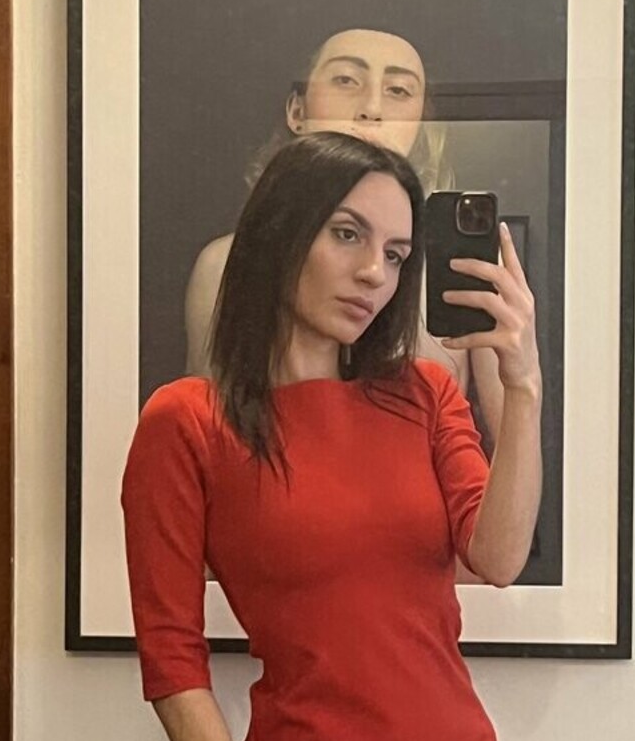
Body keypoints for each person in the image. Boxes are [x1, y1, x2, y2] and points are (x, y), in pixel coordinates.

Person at [122, 131, 542, 741]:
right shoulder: (187, 424)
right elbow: (173, 666)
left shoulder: (423, 394)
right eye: (348, 234)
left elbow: (498, 553)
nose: (373, 273)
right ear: (282, 229)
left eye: (395, 253)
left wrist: (521, 388)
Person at [182, 27, 506, 446]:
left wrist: (524, 381)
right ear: (297, 110)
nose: (371, 109)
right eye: (346, 80)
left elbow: (508, 445)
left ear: (422, 123)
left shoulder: (468, 269)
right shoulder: (224, 263)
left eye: (398, 90)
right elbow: (205, 438)